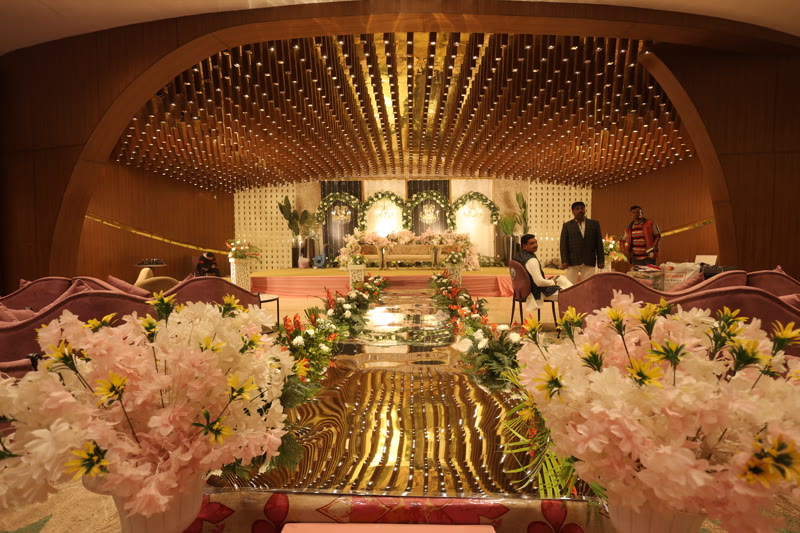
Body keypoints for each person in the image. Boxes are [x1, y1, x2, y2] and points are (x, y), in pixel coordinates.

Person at [515, 234, 573, 311]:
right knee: (571, 296)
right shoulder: (531, 260)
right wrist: (553, 282)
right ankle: (572, 317)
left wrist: (550, 280)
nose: (535, 245)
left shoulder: (519, 256)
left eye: (536, 242)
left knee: (561, 278)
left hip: (526, 289)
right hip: (537, 292)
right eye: (531, 243)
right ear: (523, 246)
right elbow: (539, 282)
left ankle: (574, 290)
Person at [559, 201, 605, 284]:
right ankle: (569, 297)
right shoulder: (567, 226)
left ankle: (586, 298)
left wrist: (601, 260)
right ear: (573, 211)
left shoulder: (594, 224)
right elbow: (563, 244)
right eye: (577, 209)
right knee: (569, 285)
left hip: (589, 259)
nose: (580, 210)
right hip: (572, 261)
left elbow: (599, 243)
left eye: (582, 208)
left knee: (588, 285)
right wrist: (564, 260)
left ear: (584, 210)